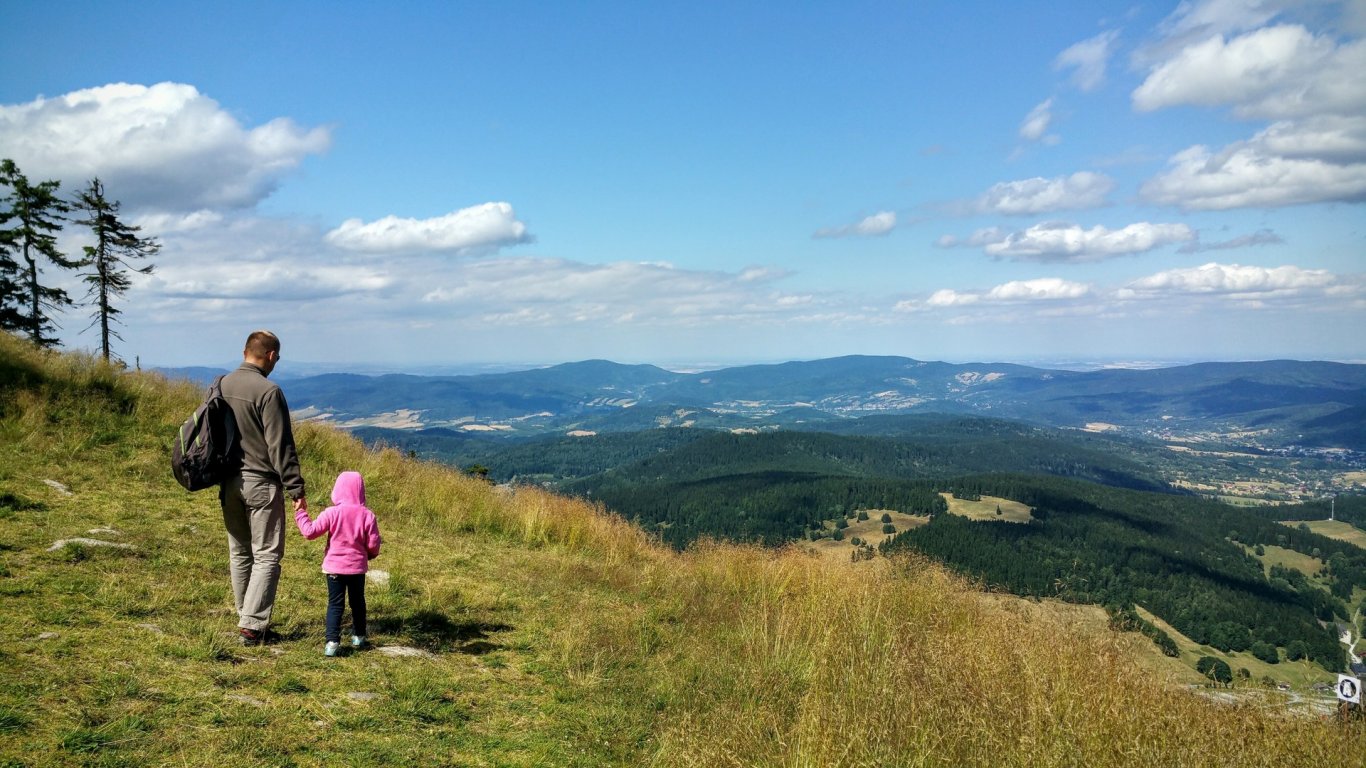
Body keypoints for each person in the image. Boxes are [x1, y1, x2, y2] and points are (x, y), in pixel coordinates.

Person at [219, 330, 307, 646]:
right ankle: (253, 624)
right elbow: (280, 445)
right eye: (277, 358)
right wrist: (296, 488)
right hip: (261, 484)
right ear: (270, 355)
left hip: (228, 483)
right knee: (267, 553)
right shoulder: (268, 392)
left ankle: (247, 617)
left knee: (240, 552)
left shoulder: (220, 385)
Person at [295, 470, 382, 656]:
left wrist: (300, 513)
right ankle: (359, 636)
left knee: (335, 604)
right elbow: (374, 544)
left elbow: (310, 532)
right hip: (357, 569)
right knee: (358, 602)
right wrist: (370, 554)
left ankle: (332, 642)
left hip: (334, 568)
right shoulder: (368, 515)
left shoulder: (332, 513)